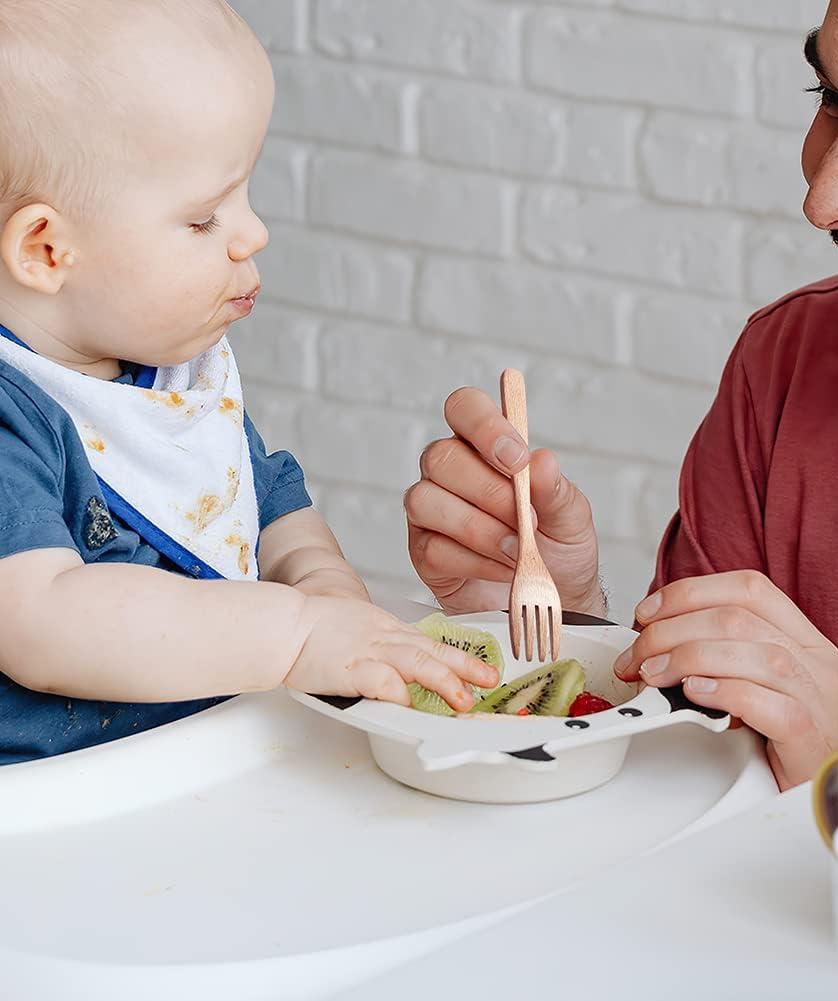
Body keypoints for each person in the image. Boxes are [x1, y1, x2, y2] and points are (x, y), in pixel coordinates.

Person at [405, 0, 838, 790]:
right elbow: (694, 780)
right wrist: (564, 638)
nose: (824, 199)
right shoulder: (793, 360)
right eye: (828, 100)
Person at [0, 0, 497, 765]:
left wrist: (325, 589)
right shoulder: (14, 413)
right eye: (203, 218)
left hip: (206, 763)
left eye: (245, 194)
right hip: (53, 811)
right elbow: (43, 618)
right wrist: (293, 633)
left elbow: (263, 502)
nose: (254, 232)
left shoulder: (170, 369)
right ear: (46, 250)